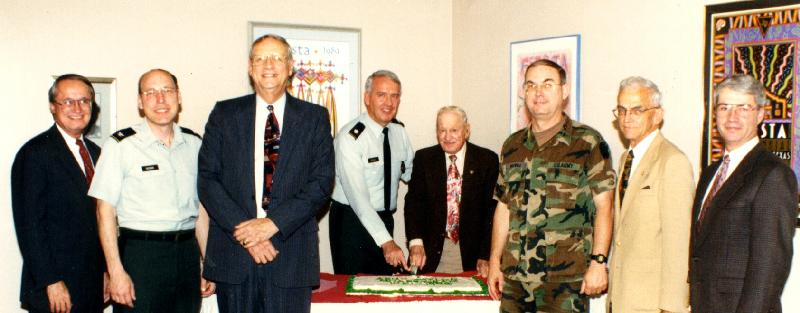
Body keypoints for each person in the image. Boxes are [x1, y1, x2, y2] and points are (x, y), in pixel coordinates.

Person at [198, 34, 334, 313]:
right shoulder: (224, 114)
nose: (268, 65)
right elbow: (207, 180)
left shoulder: (315, 117)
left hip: (290, 255)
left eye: (276, 58)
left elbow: (321, 183)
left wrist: (272, 224)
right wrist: (248, 234)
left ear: (290, 66)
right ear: (250, 68)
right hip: (234, 256)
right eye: (260, 58)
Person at [487, 59, 615, 313]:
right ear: (524, 92)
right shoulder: (512, 146)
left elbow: (605, 207)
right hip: (516, 278)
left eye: (548, 84)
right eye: (531, 85)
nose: (538, 92)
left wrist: (599, 262)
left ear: (564, 91)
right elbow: (503, 208)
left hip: (565, 279)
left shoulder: (587, 142)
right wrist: (494, 260)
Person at [90, 69, 209, 312]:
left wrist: (208, 263)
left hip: (186, 254)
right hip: (141, 256)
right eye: (151, 92)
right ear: (140, 102)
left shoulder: (194, 144)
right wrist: (115, 271)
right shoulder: (120, 146)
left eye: (167, 91)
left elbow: (201, 212)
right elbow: (104, 212)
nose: (160, 99)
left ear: (179, 97)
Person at [689, 74, 797, 313]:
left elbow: (769, 269)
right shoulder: (709, 174)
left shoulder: (772, 175)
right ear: (714, 113)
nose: (732, 117)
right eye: (724, 107)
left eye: (743, 108)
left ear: (760, 115)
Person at [12, 74, 106, 313]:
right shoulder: (35, 153)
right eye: (68, 101)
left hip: (91, 283)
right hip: (55, 288)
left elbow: (99, 218)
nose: (77, 108)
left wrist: (106, 270)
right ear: (53, 107)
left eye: (84, 101)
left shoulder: (97, 153)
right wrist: (50, 281)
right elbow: (30, 226)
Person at [607, 77, 693, 313]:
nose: (627, 118)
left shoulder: (672, 161)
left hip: (652, 305)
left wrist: (672, 307)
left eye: (637, 110)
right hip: (622, 299)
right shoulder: (626, 159)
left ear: (657, 115)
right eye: (622, 110)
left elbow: (679, 244)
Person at [329, 70, 414, 275]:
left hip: (384, 219)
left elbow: (411, 174)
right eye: (381, 95)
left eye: (394, 96)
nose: (389, 102)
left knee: (384, 288)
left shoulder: (399, 132)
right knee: (355, 289)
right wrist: (386, 242)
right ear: (367, 98)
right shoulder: (350, 139)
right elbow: (359, 199)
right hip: (351, 223)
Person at [404, 105, 498, 276]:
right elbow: (413, 205)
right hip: (431, 253)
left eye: (454, 130)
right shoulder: (424, 159)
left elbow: (491, 212)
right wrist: (415, 243)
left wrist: (487, 255)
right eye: (442, 130)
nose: (447, 137)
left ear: (467, 131)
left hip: (473, 255)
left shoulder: (487, 160)